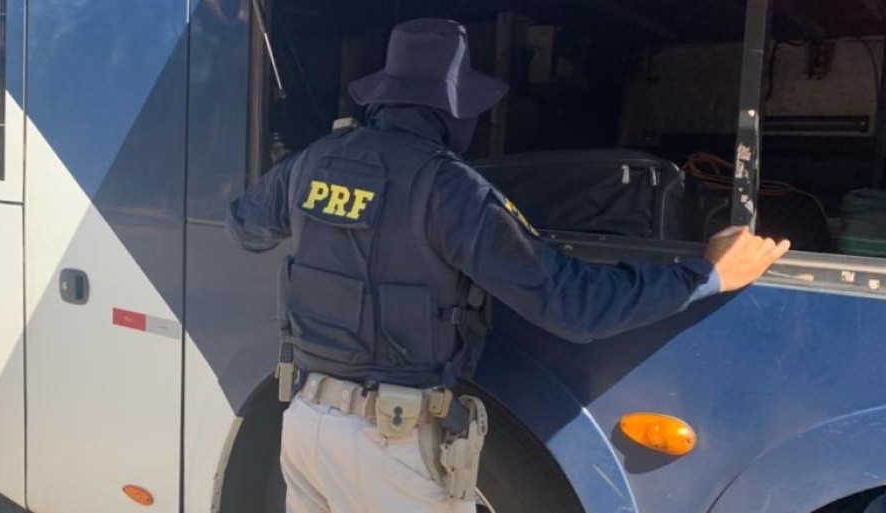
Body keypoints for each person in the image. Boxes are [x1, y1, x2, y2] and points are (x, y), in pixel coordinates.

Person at [225, 18, 790, 513]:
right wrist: (709, 274)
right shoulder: (450, 189)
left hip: (304, 428)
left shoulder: (312, 162)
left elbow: (245, 226)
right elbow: (575, 305)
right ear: (454, 109)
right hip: (387, 445)